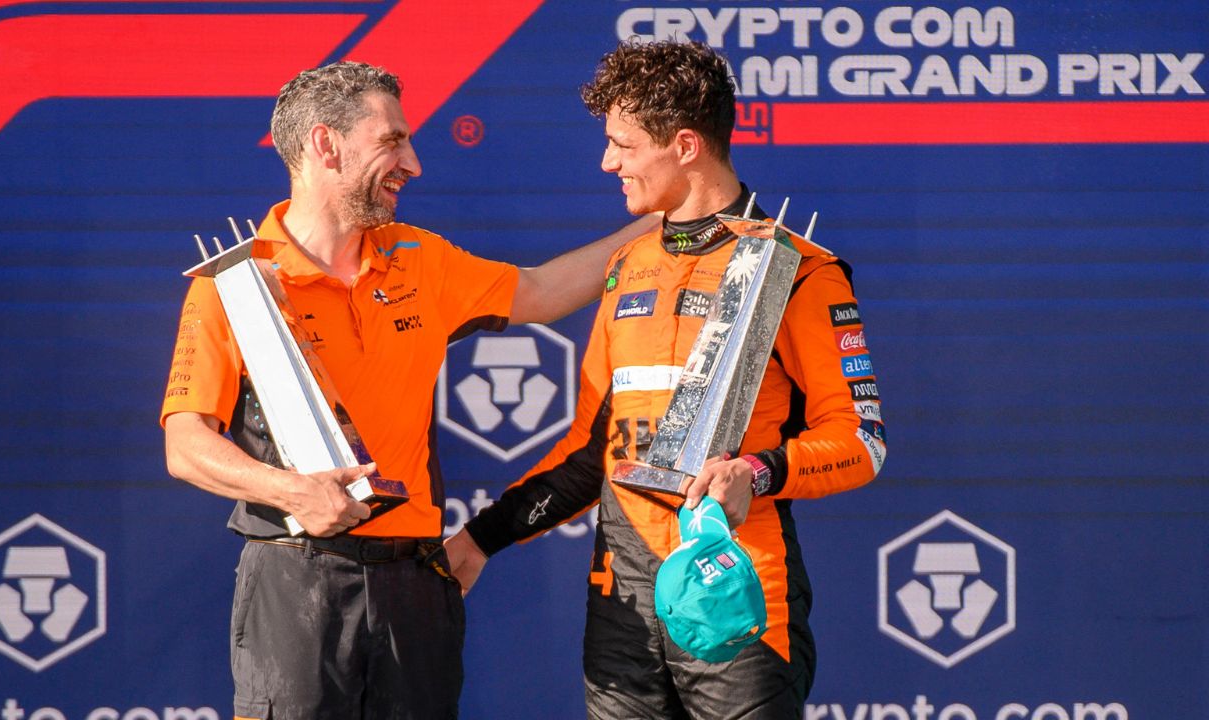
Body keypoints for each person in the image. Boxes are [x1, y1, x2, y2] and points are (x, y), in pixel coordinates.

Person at [160, 60, 656, 720]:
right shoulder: (237, 285)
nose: (414, 163)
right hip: (295, 579)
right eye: (392, 139)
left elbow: (542, 291)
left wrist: (666, 220)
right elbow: (185, 442)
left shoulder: (421, 259)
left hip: (416, 586)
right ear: (325, 144)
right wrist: (293, 491)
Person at [447, 40, 886, 719]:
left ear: (684, 145)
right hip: (621, 605)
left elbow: (862, 441)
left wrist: (757, 472)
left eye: (623, 144)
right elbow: (593, 455)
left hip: (737, 597)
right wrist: (482, 538)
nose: (607, 161)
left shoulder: (797, 269)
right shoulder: (627, 265)